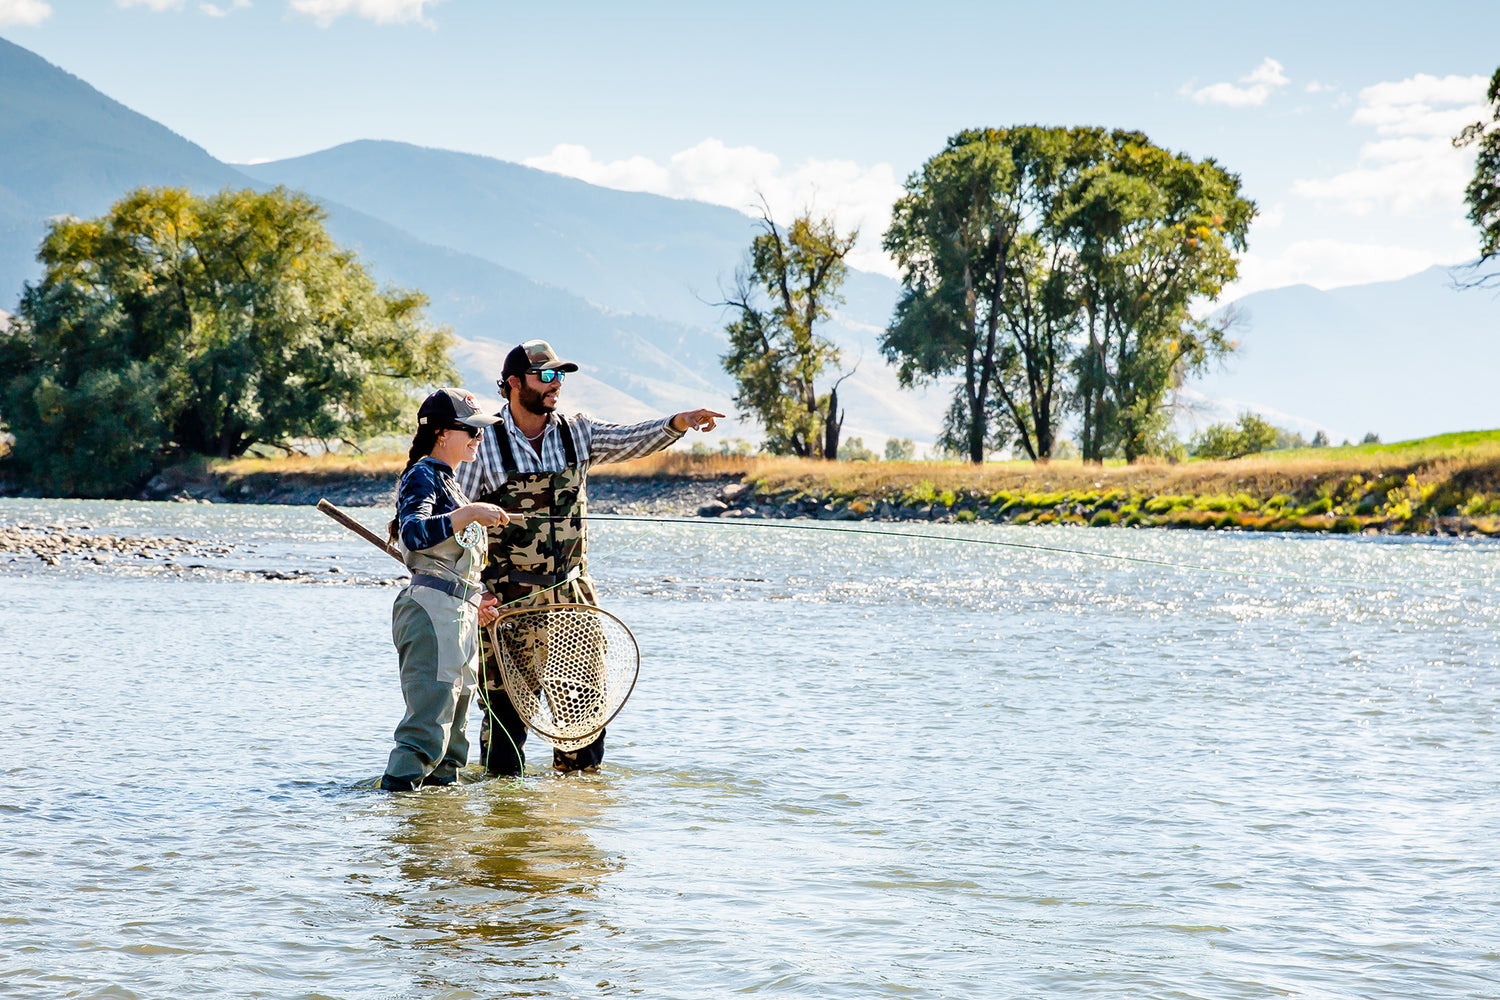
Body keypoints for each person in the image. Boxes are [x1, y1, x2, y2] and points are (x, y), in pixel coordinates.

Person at [457, 339, 723, 775]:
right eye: (545, 376)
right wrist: (474, 594)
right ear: (512, 384)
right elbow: (456, 522)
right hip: (503, 604)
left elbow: (630, 439)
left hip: (572, 597)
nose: (555, 384)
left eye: (559, 375)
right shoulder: (480, 443)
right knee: (504, 728)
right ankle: (503, 831)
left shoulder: (576, 430)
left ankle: (574, 824)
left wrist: (680, 422)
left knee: (584, 718)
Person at [380, 388, 511, 792]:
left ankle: (439, 824)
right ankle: (401, 820)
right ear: (441, 433)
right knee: (426, 730)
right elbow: (415, 534)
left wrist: (474, 600)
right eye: (470, 431)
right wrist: (470, 513)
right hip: (430, 614)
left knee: (454, 735)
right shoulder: (423, 474)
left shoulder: (450, 483)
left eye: (481, 432)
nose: (478, 439)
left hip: (458, 614)